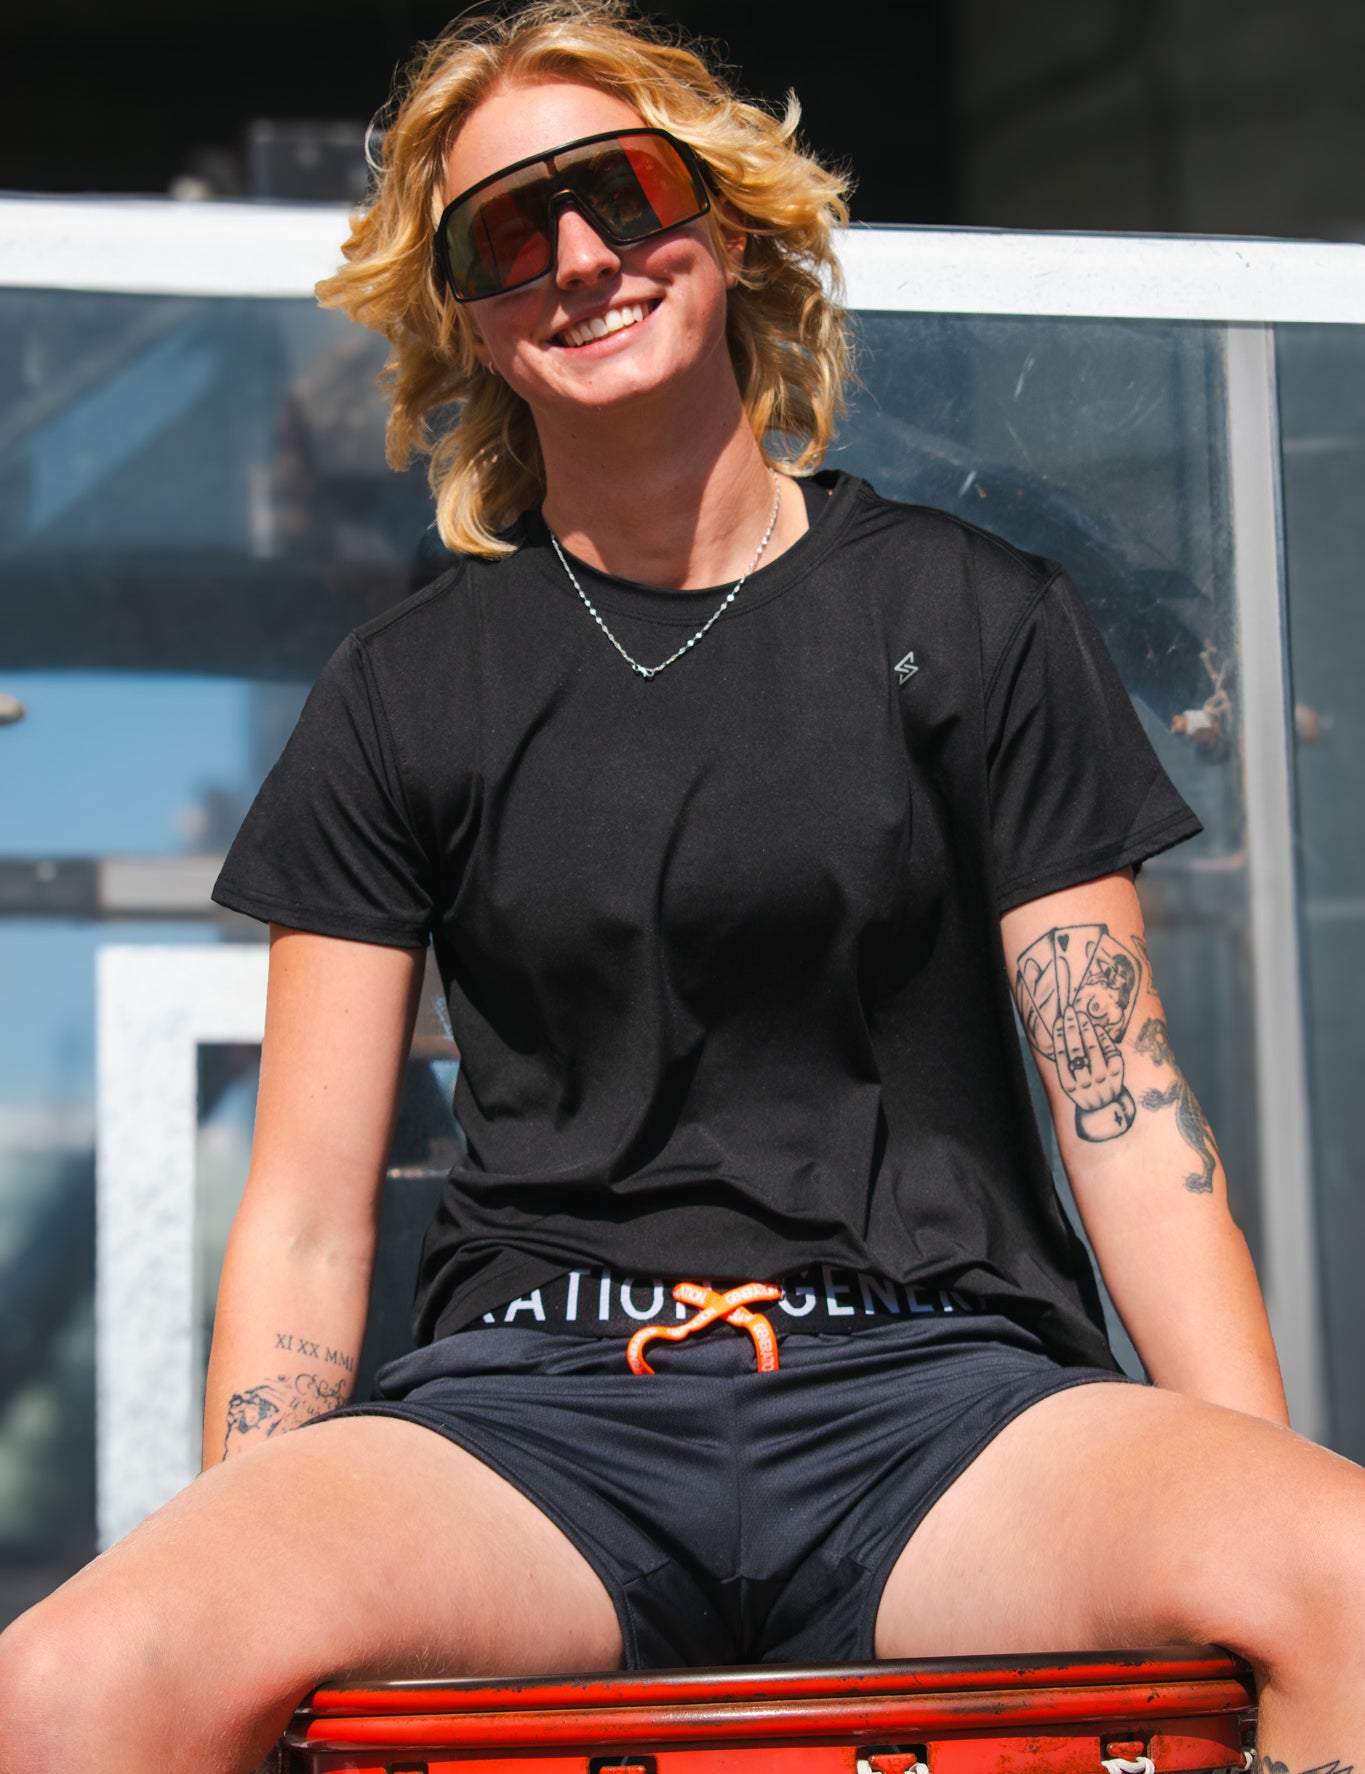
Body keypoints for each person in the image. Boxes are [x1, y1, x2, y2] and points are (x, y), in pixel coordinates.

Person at [2, 3, 1364, 1768]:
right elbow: (311, 1216)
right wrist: (250, 1558)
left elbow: (1128, 1123)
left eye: (622, 192)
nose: (579, 257)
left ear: (719, 219)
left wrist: (1254, 1502)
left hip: (936, 1393)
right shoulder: (403, 692)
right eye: (505, 234)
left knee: (1348, 1578)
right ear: (467, 319)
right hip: (536, 1418)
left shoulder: (971, 616)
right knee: (68, 1687)